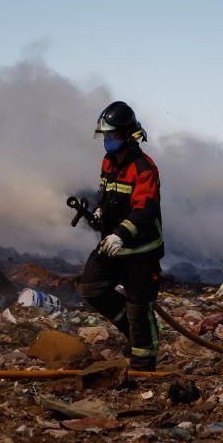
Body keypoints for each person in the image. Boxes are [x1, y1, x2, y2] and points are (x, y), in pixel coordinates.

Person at [79, 101, 164, 371]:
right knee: (92, 287)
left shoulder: (144, 167)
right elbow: (109, 195)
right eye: (105, 136)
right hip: (112, 245)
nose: (107, 141)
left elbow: (144, 209)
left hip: (140, 249)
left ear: (127, 135)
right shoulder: (108, 161)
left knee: (139, 307)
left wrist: (120, 235)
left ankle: (144, 361)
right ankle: (129, 326)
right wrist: (101, 212)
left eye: (112, 135)